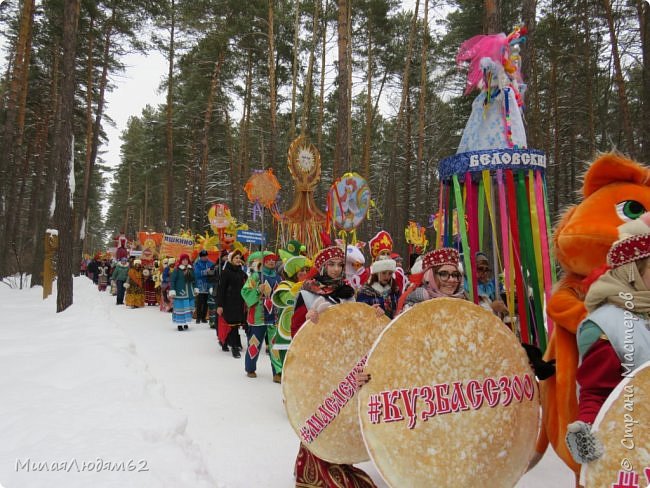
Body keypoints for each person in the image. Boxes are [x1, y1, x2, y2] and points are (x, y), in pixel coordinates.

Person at [565, 213, 650, 464]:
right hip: (634, 452)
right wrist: (588, 432)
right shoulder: (606, 324)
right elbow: (596, 393)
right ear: (632, 271)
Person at [289, 246, 375, 488]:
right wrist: (309, 323)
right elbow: (294, 333)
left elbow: (356, 328)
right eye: (332, 264)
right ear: (322, 267)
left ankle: (339, 461)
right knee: (317, 413)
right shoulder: (307, 292)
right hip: (316, 365)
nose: (336, 269)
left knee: (338, 416)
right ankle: (311, 471)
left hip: (342, 364)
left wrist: (373, 317)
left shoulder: (348, 292)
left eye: (340, 264)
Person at [241, 252, 281, 379]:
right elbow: (245, 291)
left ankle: (277, 372)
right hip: (258, 316)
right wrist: (258, 290)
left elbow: (282, 296)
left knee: (275, 345)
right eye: (268, 260)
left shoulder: (279, 278)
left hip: (273, 316)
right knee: (254, 343)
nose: (271, 262)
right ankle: (250, 368)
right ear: (263, 262)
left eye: (273, 260)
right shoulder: (255, 276)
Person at [216, 249, 247, 358]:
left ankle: (228, 342)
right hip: (228, 302)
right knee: (232, 324)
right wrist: (220, 305)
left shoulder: (241, 272)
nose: (238, 260)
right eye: (236, 258)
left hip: (239, 302)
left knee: (235, 324)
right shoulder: (226, 272)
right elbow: (221, 289)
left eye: (239, 258)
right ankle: (234, 347)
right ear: (231, 259)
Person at [169, 253, 196, 331]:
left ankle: (185, 323)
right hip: (180, 292)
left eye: (186, 260)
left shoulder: (191, 269)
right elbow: (173, 280)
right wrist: (172, 290)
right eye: (183, 260)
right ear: (181, 261)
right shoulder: (177, 270)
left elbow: (194, 280)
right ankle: (179, 324)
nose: (185, 261)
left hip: (190, 292)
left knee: (188, 308)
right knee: (180, 308)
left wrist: (195, 288)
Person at [193, 249, 214, 324]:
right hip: (200, 285)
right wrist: (206, 272)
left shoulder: (211, 263)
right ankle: (198, 317)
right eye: (203, 256)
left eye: (206, 256)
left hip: (208, 285)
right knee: (199, 302)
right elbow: (196, 274)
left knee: (206, 302)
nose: (205, 257)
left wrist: (211, 272)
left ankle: (203, 317)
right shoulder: (197, 264)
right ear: (200, 257)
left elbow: (213, 272)